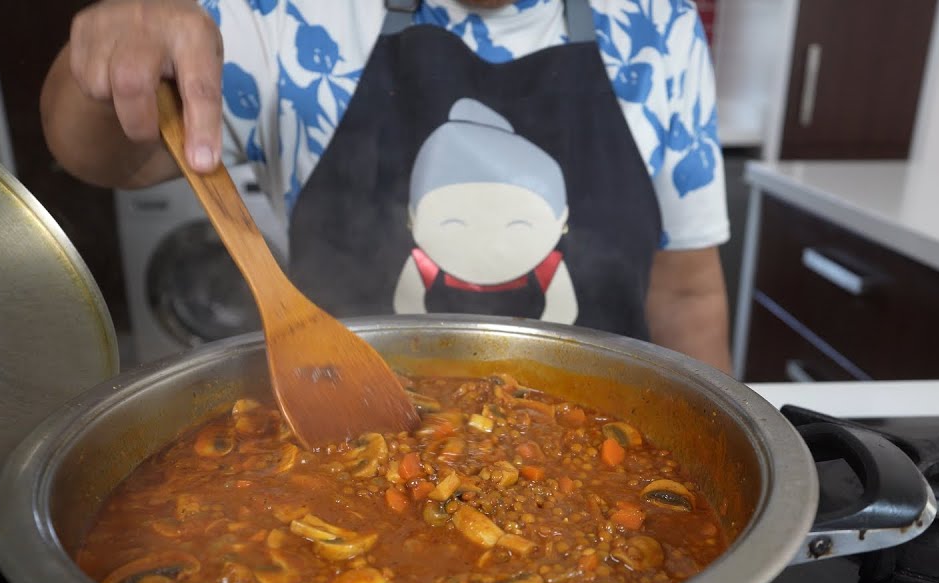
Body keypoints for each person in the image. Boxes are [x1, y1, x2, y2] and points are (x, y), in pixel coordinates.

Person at [41, 0, 734, 373]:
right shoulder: (285, 17)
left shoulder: (659, 28)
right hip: (344, 418)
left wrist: (731, 464)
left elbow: (686, 293)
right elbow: (103, 157)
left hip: (609, 441)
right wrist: (106, 58)